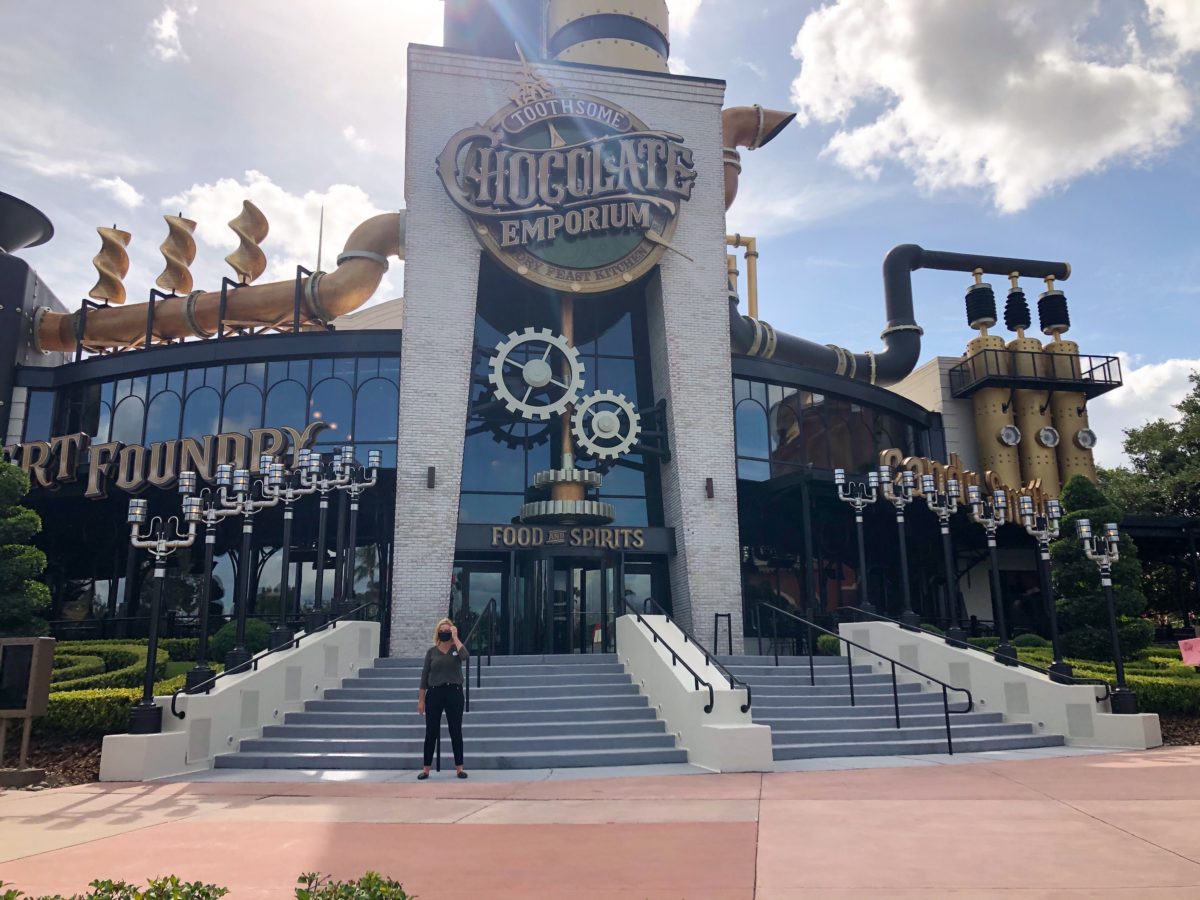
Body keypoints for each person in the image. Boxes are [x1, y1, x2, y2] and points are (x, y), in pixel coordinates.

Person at [417, 617, 468, 779]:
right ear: (438, 632)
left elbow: (465, 656)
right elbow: (424, 676)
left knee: (456, 730)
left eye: (448, 630)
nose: (445, 633)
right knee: (431, 730)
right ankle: (426, 769)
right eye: (443, 630)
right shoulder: (432, 652)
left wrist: (456, 637)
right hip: (435, 693)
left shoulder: (456, 648)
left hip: (454, 691)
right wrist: (421, 699)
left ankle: (459, 768)